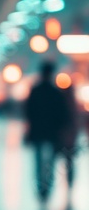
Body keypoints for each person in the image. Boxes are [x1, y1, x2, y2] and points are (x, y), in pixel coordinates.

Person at [25, 61, 68, 201]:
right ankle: (47, 185)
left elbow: (29, 111)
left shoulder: (35, 90)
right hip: (52, 132)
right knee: (51, 160)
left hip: (37, 130)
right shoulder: (55, 92)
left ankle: (40, 186)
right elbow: (61, 113)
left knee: (37, 160)